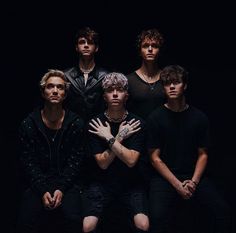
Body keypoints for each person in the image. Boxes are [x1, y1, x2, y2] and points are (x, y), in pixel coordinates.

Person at [147, 65, 231, 233]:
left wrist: (193, 182)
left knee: (222, 210)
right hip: (165, 178)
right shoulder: (155, 118)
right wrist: (178, 185)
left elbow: (203, 154)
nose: (171, 87)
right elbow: (155, 158)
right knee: (156, 216)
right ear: (163, 88)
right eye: (167, 83)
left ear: (184, 86)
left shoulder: (199, 117)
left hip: (193, 175)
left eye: (176, 82)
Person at [16, 70, 85, 233]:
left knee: (74, 221)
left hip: (67, 184)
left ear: (65, 94)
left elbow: (76, 162)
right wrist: (43, 190)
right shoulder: (29, 124)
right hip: (38, 183)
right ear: (43, 92)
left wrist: (61, 188)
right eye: (50, 86)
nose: (55, 91)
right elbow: (28, 162)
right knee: (24, 222)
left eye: (60, 87)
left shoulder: (76, 124)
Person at [82, 72, 149, 233]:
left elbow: (131, 160)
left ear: (126, 95)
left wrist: (109, 138)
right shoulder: (95, 124)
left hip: (131, 183)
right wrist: (118, 137)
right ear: (104, 96)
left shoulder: (136, 123)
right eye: (110, 90)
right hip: (101, 183)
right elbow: (103, 164)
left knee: (143, 224)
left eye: (119, 90)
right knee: (87, 226)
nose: (115, 94)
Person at [64, 26, 109, 122]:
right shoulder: (66, 75)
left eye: (90, 42)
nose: (86, 45)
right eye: (82, 42)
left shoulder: (106, 76)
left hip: (97, 127)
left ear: (96, 48)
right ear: (76, 47)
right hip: (71, 127)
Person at [127, 28, 166, 120]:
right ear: (140, 51)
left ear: (159, 51)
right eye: (145, 46)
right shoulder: (128, 80)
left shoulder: (167, 78)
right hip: (138, 132)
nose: (150, 49)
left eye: (154, 46)